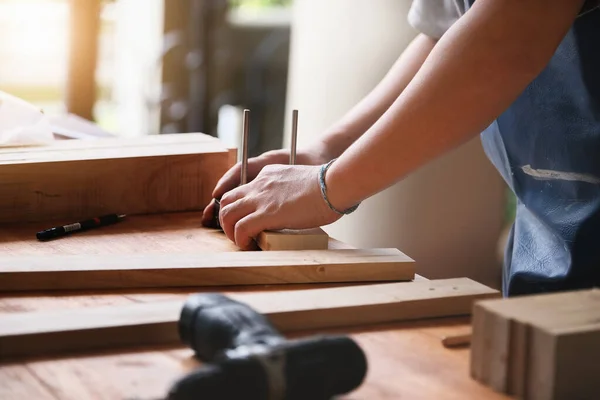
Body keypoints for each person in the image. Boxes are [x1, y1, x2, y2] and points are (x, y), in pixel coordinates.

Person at [202, 0, 600, 297]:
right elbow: (450, 33)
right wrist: (328, 150)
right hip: (552, 237)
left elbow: (506, 42)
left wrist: (327, 187)